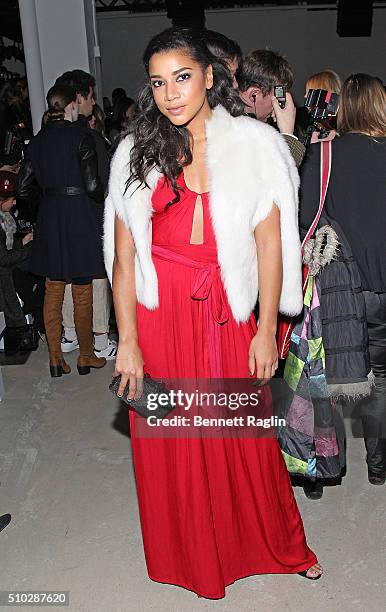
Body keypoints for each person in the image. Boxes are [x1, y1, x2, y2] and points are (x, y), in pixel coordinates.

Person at [104, 28, 322, 599]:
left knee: (244, 439)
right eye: (158, 82)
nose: (170, 93)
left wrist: (268, 328)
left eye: (181, 77)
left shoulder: (254, 145)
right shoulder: (135, 153)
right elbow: (123, 258)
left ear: (208, 76)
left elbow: (273, 244)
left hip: (227, 311)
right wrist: (127, 340)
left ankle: (280, 546)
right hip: (159, 316)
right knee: (172, 440)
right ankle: (190, 555)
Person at [299, 73, 386, 486]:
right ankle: (378, 461)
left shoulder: (327, 156)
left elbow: (304, 219)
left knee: (350, 376)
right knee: (382, 376)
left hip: (345, 289)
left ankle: (355, 463)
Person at [16, 83, 107, 377]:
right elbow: (93, 186)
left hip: (51, 217)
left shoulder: (37, 141)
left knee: (52, 289)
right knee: (82, 289)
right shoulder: (82, 136)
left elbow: (23, 188)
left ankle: (55, 358)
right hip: (78, 214)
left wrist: (47, 200)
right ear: (70, 106)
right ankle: (85, 356)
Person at [55, 70, 116, 360]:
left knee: (66, 273)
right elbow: (100, 182)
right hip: (89, 214)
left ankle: (68, 334)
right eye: (90, 95)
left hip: (56, 215)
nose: (93, 101)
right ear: (78, 98)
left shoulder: (46, 136)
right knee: (96, 273)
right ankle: (100, 338)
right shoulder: (87, 136)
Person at [237, 49, 305, 167]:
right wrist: (288, 132)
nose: (278, 106)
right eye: (277, 96)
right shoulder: (239, 134)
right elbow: (281, 180)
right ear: (254, 94)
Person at [0, 169, 34, 351]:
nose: (15, 202)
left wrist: (23, 241)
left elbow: (8, 248)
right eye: (11, 199)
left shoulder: (6, 217)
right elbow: (4, 258)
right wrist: (28, 249)